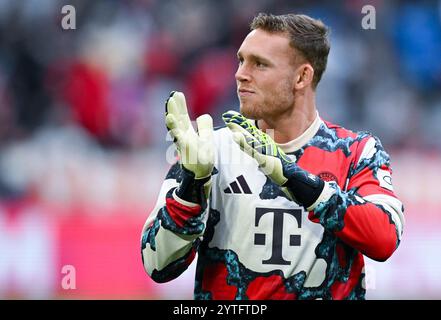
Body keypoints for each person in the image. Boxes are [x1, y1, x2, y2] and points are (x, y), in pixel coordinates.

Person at [140, 13, 404, 300]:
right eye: (241, 60)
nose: (240, 73)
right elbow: (157, 266)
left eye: (260, 64)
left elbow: (384, 239)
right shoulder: (207, 149)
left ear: (302, 77)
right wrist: (192, 184)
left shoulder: (356, 152)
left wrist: (298, 181)